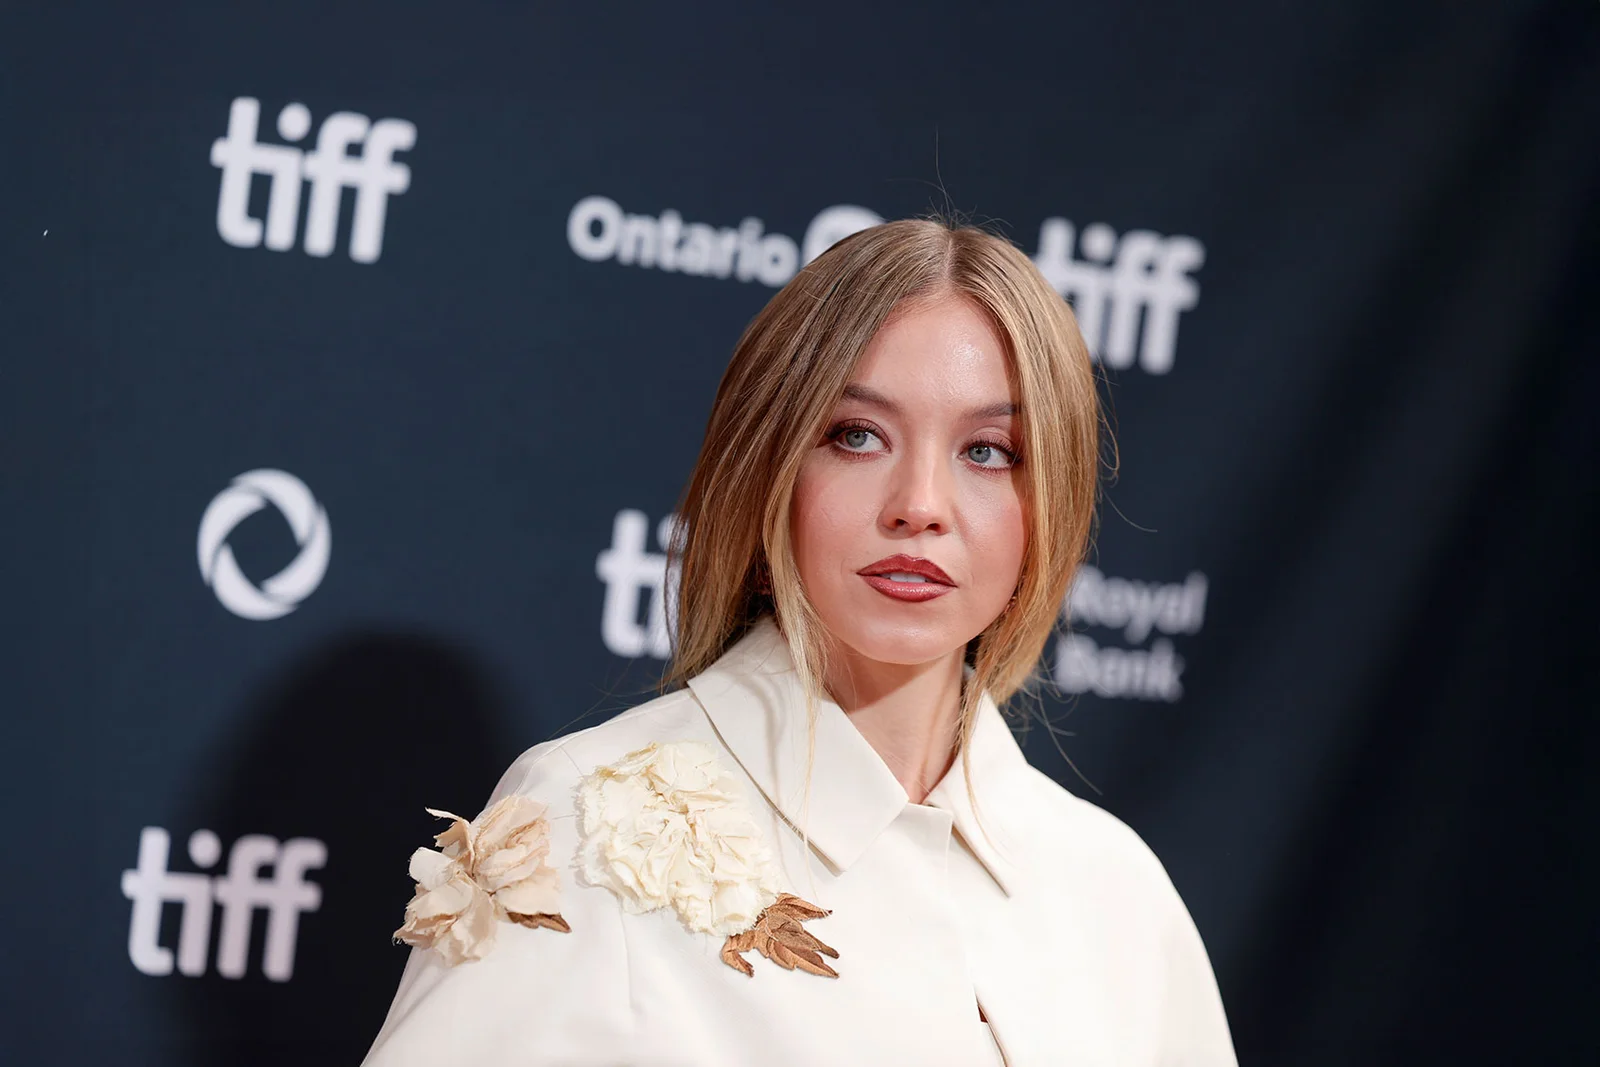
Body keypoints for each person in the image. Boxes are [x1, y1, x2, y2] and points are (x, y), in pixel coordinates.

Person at [360, 219, 1237, 1066]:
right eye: (857, 436)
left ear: (1049, 503)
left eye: (987, 450)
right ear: (768, 469)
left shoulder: (1115, 891)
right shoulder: (580, 824)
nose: (920, 504)